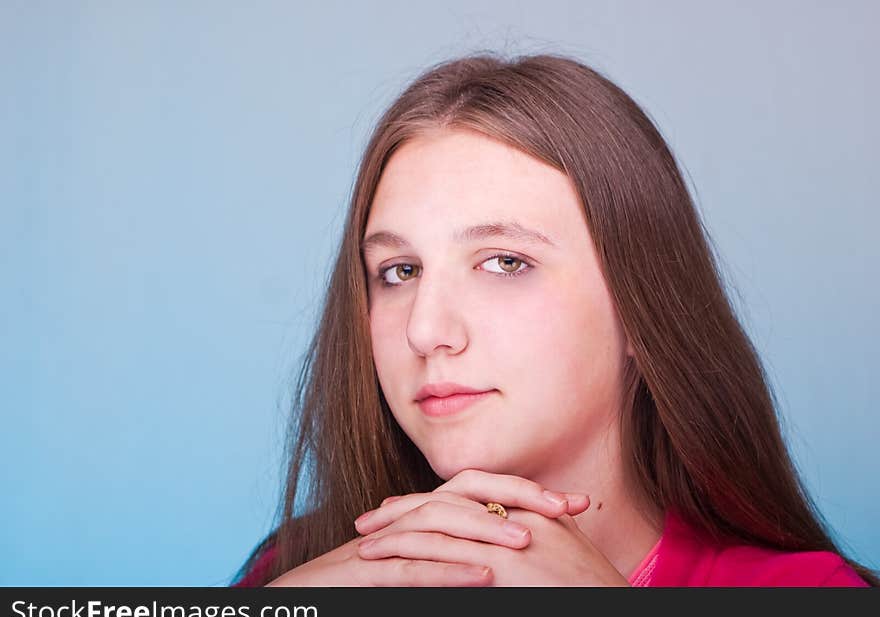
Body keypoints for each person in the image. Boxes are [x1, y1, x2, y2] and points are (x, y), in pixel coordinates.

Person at [232, 52, 877, 587]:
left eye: (505, 262)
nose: (426, 331)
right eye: (400, 272)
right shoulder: (298, 579)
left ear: (639, 302)